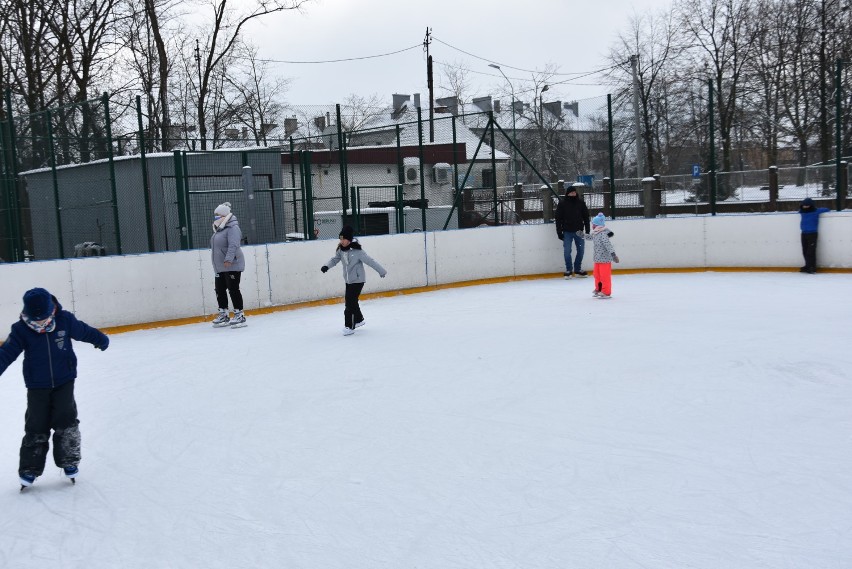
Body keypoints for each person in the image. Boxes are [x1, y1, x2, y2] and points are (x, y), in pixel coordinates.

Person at [0, 288, 109, 489]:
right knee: (36, 425)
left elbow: (83, 331)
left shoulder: (65, 320)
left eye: (44, 319)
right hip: (36, 386)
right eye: (36, 319)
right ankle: (29, 469)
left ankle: (69, 461)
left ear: (53, 310)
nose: (40, 323)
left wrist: (100, 339)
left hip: (64, 381)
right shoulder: (21, 329)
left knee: (66, 421)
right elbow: (6, 353)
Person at [320, 225, 387, 336]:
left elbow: (370, 261)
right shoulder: (341, 251)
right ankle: (359, 320)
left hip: (358, 280)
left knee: (349, 304)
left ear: (349, 239)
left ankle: (349, 326)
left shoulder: (357, 251)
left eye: (343, 239)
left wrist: (381, 271)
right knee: (352, 301)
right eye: (340, 239)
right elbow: (334, 260)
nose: (341, 241)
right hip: (348, 280)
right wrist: (326, 266)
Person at [210, 202, 247, 327]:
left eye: (218, 215)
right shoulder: (219, 228)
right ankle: (224, 314)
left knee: (233, 289)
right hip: (220, 266)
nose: (216, 217)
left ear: (225, 215)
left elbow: (234, 245)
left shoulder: (232, 228)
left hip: (232, 264)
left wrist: (229, 259)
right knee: (219, 289)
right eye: (215, 215)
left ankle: (239, 315)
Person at [554, 183, 590, 278]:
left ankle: (577, 269)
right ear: (567, 194)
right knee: (567, 251)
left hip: (579, 232)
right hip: (567, 232)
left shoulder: (581, 203)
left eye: (574, 192)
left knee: (581, 251)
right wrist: (559, 232)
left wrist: (587, 229)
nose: (573, 194)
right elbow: (558, 219)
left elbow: (586, 217)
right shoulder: (562, 204)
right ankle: (569, 270)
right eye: (571, 193)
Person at [584, 213, 619, 299]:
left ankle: (606, 292)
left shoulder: (603, 234)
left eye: (593, 224)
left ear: (598, 225)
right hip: (597, 259)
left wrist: (613, 255)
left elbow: (608, 245)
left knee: (604, 276)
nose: (592, 226)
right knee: (597, 275)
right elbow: (590, 238)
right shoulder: (596, 233)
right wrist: (582, 235)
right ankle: (599, 289)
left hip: (605, 260)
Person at [798, 197, 830, 274]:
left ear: (811, 205)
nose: (805, 206)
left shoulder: (816, 211)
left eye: (807, 205)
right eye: (804, 205)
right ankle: (807, 265)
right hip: (804, 233)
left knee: (810, 251)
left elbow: (827, 209)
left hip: (812, 233)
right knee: (805, 251)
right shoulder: (802, 212)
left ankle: (812, 267)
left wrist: (824, 209)